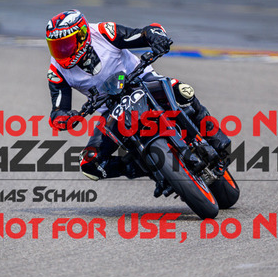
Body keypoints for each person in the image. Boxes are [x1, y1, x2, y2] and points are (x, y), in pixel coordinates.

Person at [46, 9, 230, 187]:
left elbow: (143, 33)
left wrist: (156, 38)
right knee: (90, 165)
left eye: (66, 44)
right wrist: (64, 119)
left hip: (141, 80)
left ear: (82, 35)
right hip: (111, 108)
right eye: (56, 47)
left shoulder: (103, 32)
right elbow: (58, 111)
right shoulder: (56, 71)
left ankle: (217, 139)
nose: (61, 51)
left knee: (183, 91)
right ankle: (150, 167)